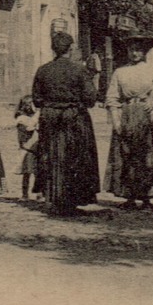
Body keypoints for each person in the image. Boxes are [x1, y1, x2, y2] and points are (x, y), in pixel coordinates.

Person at [31, 30, 100, 216]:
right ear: (71, 49)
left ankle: (53, 198)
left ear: (53, 49)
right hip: (73, 116)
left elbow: (36, 99)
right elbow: (91, 99)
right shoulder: (79, 70)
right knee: (76, 156)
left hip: (50, 116)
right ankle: (72, 199)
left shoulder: (43, 70)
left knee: (51, 155)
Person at [104, 31, 153, 210]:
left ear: (145, 52)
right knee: (125, 154)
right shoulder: (120, 72)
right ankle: (129, 196)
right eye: (131, 50)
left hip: (145, 115)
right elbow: (112, 98)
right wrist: (116, 120)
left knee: (147, 155)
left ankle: (146, 197)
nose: (135, 53)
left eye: (138, 50)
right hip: (127, 114)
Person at [13, 96, 40, 201]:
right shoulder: (22, 119)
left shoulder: (35, 117)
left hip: (36, 147)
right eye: (27, 104)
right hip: (28, 148)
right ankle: (24, 194)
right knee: (27, 172)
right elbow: (25, 132)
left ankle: (39, 193)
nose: (29, 106)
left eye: (31, 103)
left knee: (38, 171)